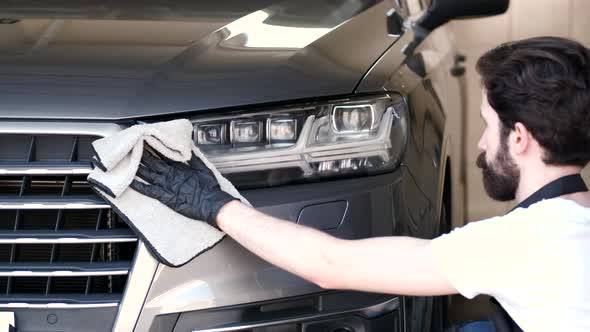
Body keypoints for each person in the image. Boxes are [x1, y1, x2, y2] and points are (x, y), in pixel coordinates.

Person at [130, 36, 590, 332]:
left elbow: (331, 264)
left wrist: (211, 202)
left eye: (490, 126)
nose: (481, 141)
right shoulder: (568, 226)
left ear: (520, 138)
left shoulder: (525, 243)